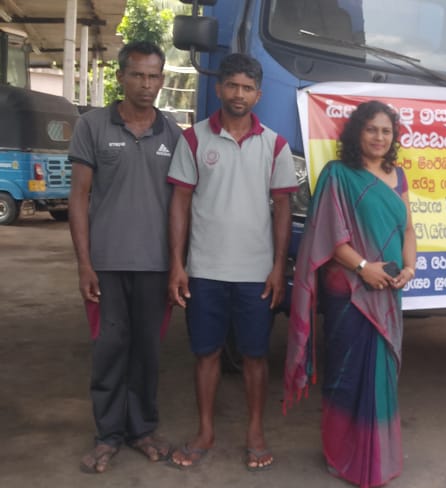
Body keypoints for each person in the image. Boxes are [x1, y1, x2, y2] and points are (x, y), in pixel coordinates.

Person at [166, 53, 298, 471]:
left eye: (247, 88)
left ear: (258, 95)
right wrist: (177, 263)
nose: (238, 94)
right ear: (220, 88)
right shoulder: (195, 139)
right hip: (204, 270)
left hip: (256, 274)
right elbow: (180, 204)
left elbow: (282, 209)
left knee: (256, 356)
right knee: (205, 353)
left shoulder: (274, 145)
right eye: (232, 86)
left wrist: (279, 267)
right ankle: (205, 431)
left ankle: (255, 432)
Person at [284, 100, 417, 487]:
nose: (379, 137)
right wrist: (363, 268)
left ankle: (378, 457)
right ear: (358, 132)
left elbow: (408, 231)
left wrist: (409, 268)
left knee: (382, 374)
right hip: (350, 290)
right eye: (372, 129)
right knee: (346, 373)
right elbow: (328, 238)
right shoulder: (337, 175)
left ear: (393, 137)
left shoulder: (399, 176)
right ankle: (342, 454)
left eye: (386, 131)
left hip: (389, 287)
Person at [68, 40, 182, 474]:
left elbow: (179, 205)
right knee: (110, 349)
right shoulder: (92, 126)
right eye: (137, 75)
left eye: (154, 76)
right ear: (121, 77)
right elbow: (78, 197)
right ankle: (108, 435)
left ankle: (142, 429)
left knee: (147, 352)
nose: (146, 84)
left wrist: (176, 262)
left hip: (154, 266)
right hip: (107, 266)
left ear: (162, 79)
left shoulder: (171, 134)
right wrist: (84, 263)